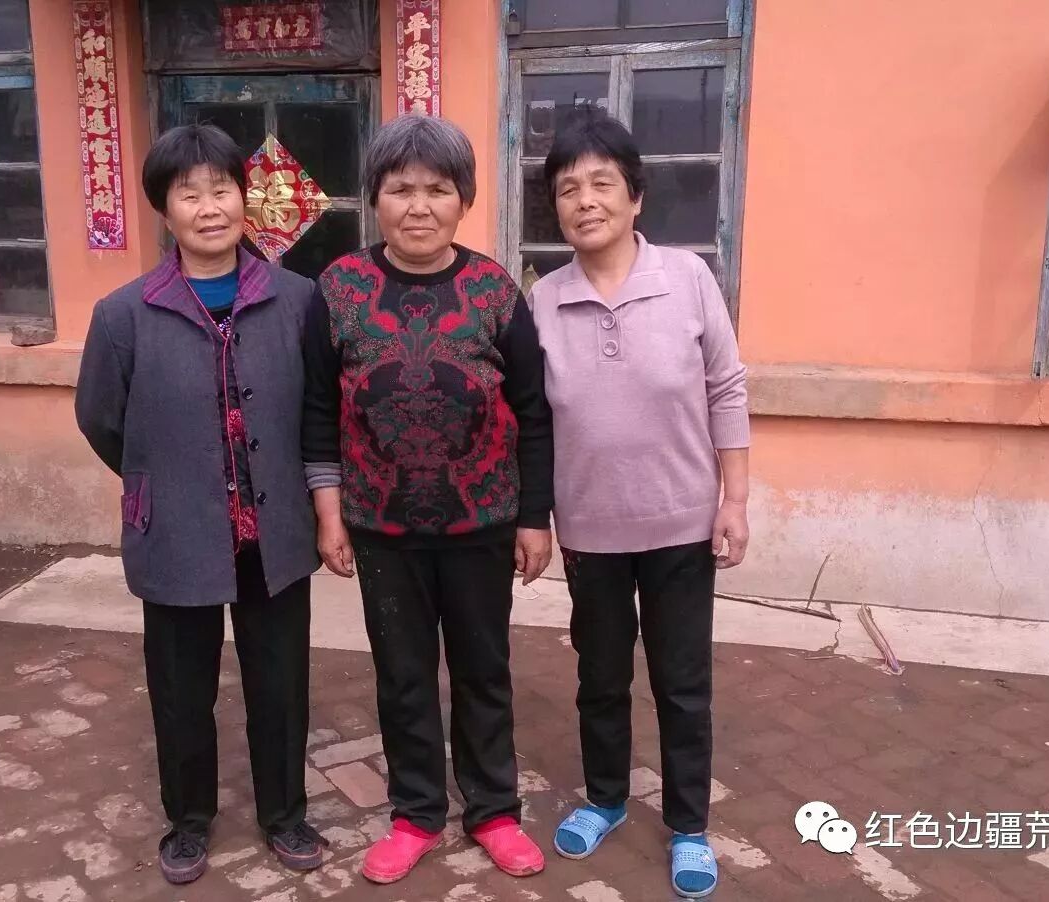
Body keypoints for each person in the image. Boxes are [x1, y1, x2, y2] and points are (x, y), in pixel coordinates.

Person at [301, 114, 554, 885]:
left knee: (483, 671)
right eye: (400, 188)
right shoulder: (339, 289)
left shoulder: (494, 291)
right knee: (403, 675)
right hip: (382, 526)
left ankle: (494, 810)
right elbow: (317, 411)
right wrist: (329, 513)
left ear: (464, 199)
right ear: (375, 198)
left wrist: (534, 518)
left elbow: (534, 410)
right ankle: (415, 814)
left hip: (482, 522)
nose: (419, 206)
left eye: (438, 189)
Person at [75, 124, 326, 887]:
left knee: (280, 682)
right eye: (190, 194)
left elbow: (319, 409)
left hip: (273, 531)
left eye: (222, 190)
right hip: (178, 530)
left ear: (245, 201)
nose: (209, 208)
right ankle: (187, 821)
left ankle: (284, 813)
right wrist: (161, 480)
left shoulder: (296, 300)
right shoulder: (123, 315)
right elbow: (101, 419)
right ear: (165, 209)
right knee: (182, 689)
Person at [527, 116, 750, 899]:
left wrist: (735, 499)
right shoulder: (543, 299)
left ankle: (688, 825)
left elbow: (726, 387)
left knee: (682, 684)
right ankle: (606, 799)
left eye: (601, 184)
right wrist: (535, 519)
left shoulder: (687, 279)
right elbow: (531, 419)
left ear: (635, 196)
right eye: (567, 189)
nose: (584, 201)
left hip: (681, 524)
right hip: (589, 529)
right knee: (600, 676)